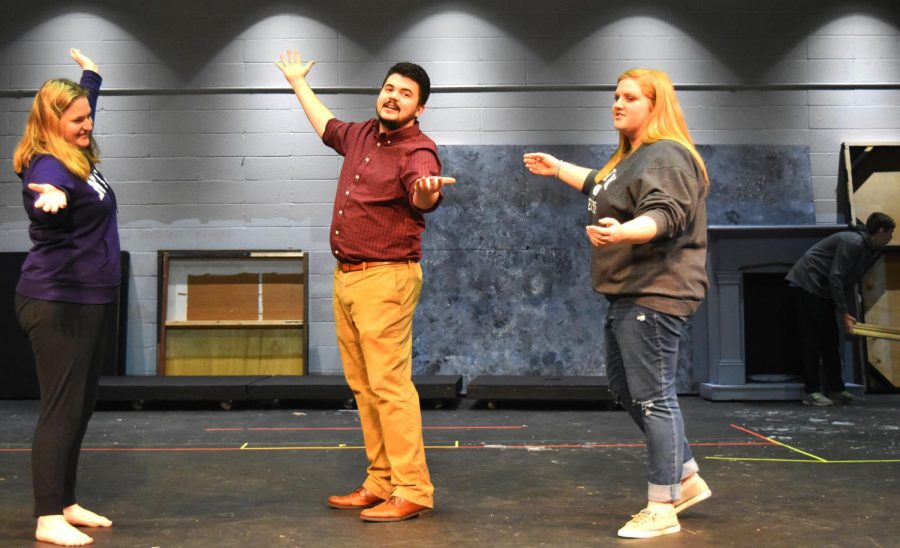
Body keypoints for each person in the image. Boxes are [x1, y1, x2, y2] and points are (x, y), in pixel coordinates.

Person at [524, 68, 711, 538]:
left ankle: (662, 505)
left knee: (654, 397)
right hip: (630, 291)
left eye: (630, 97)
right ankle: (685, 477)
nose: (617, 104)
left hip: (656, 290)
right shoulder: (632, 159)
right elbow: (601, 185)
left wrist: (625, 232)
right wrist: (558, 168)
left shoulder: (666, 154)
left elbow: (665, 214)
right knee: (627, 390)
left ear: (655, 105)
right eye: (615, 96)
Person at [275, 51, 454, 522]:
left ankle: (413, 487)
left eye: (406, 94)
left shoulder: (418, 149)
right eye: (390, 88)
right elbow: (326, 125)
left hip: (386, 278)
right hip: (349, 277)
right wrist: (298, 83)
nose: (394, 97)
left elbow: (423, 190)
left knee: (390, 386)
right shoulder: (360, 136)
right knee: (364, 386)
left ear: (420, 109)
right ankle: (381, 480)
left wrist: (428, 190)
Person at [12, 49, 119, 546]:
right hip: (58, 302)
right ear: (52, 122)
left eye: (89, 116)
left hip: (89, 299)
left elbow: (83, 101)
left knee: (81, 406)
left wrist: (91, 76)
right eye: (77, 119)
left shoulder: (74, 145)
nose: (88, 125)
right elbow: (45, 192)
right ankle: (46, 515)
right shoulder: (49, 165)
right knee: (61, 407)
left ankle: (66, 501)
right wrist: (47, 202)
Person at [786, 212, 895, 406]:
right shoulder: (854, 243)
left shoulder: (864, 247)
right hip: (809, 285)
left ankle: (836, 389)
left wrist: (847, 310)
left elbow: (846, 278)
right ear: (880, 231)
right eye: (889, 234)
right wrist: (844, 313)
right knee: (812, 340)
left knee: (830, 339)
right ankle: (812, 392)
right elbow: (835, 276)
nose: (891, 239)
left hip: (823, 290)